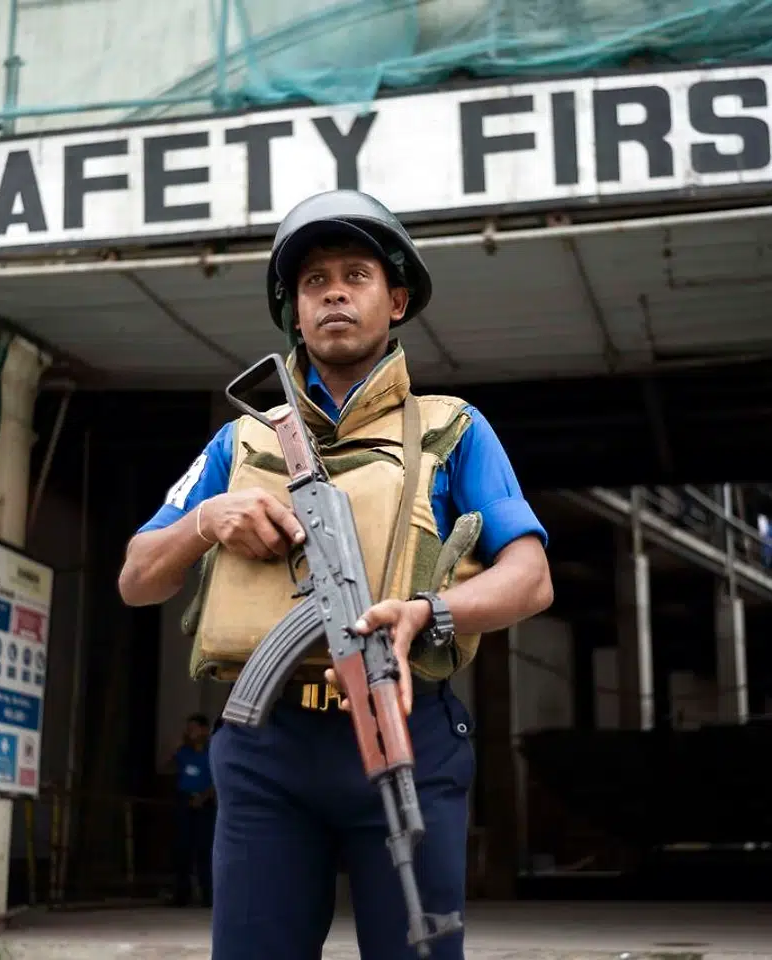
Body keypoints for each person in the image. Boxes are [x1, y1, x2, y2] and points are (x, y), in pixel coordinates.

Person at [118, 189, 554, 960]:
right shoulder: (241, 441)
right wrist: (206, 519)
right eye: (315, 282)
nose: (336, 294)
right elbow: (137, 578)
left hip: (404, 724)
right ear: (294, 311)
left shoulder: (452, 429)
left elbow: (530, 579)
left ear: (397, 299)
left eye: (357, 275)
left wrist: (430, 612)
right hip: (268, 743)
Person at [166, 712, 216, 907]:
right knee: (182, 849)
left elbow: (216, 780)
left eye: (194, 728)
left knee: (204, 849)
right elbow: (168, 764)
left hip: (204, 803)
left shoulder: (211, 753)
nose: (190, 732)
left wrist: (203, 797)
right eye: (189, 729)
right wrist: (176, 746)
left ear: (204, 730)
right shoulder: (184, 752)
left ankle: (207, 896)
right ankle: (181, 895)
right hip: (184, 800)